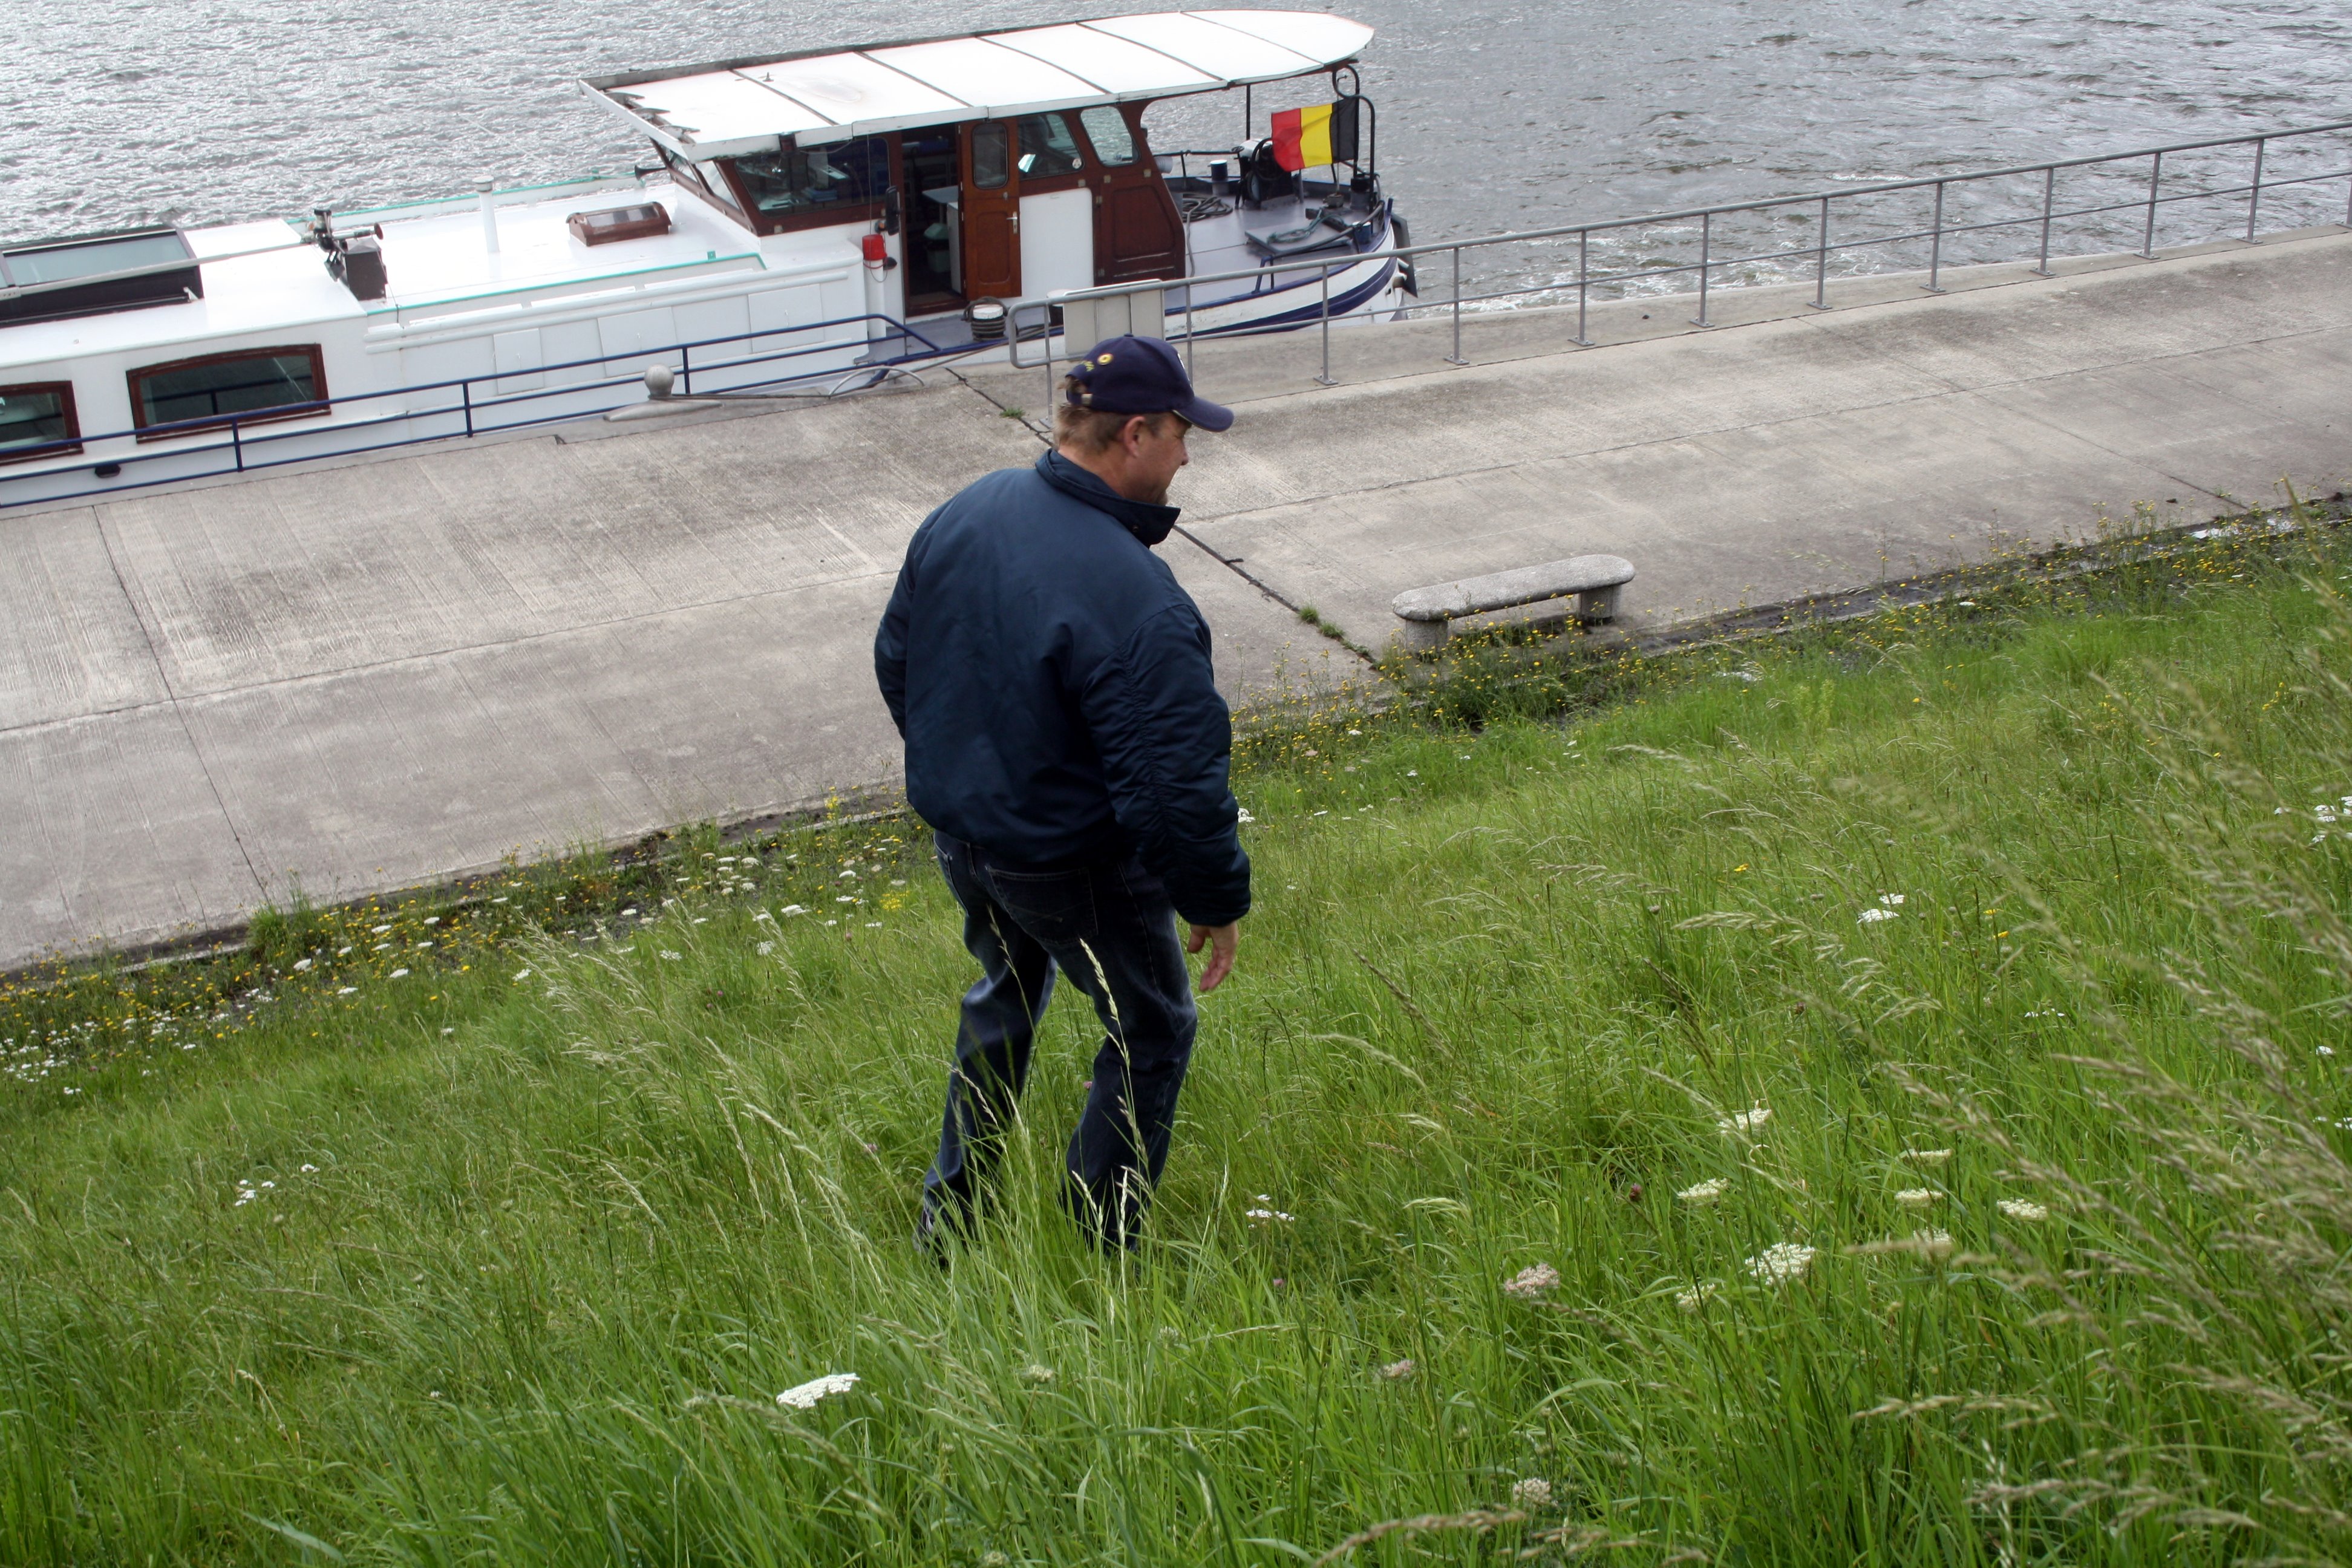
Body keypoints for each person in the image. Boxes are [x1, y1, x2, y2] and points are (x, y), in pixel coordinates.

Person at [874, 335, 1250, 1253]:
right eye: (1182, 435)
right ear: (1135, 435)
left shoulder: (970, 510)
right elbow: (1171, 785)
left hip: (967, 839)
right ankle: (1102, 1246)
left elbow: (899, 662)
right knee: (1152, 1028)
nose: (1190, 453)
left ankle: (948, 1225)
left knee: (1002, 1003)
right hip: (1064, 860)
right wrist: (1212, 899)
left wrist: (969, 783)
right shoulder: (1138, 599)